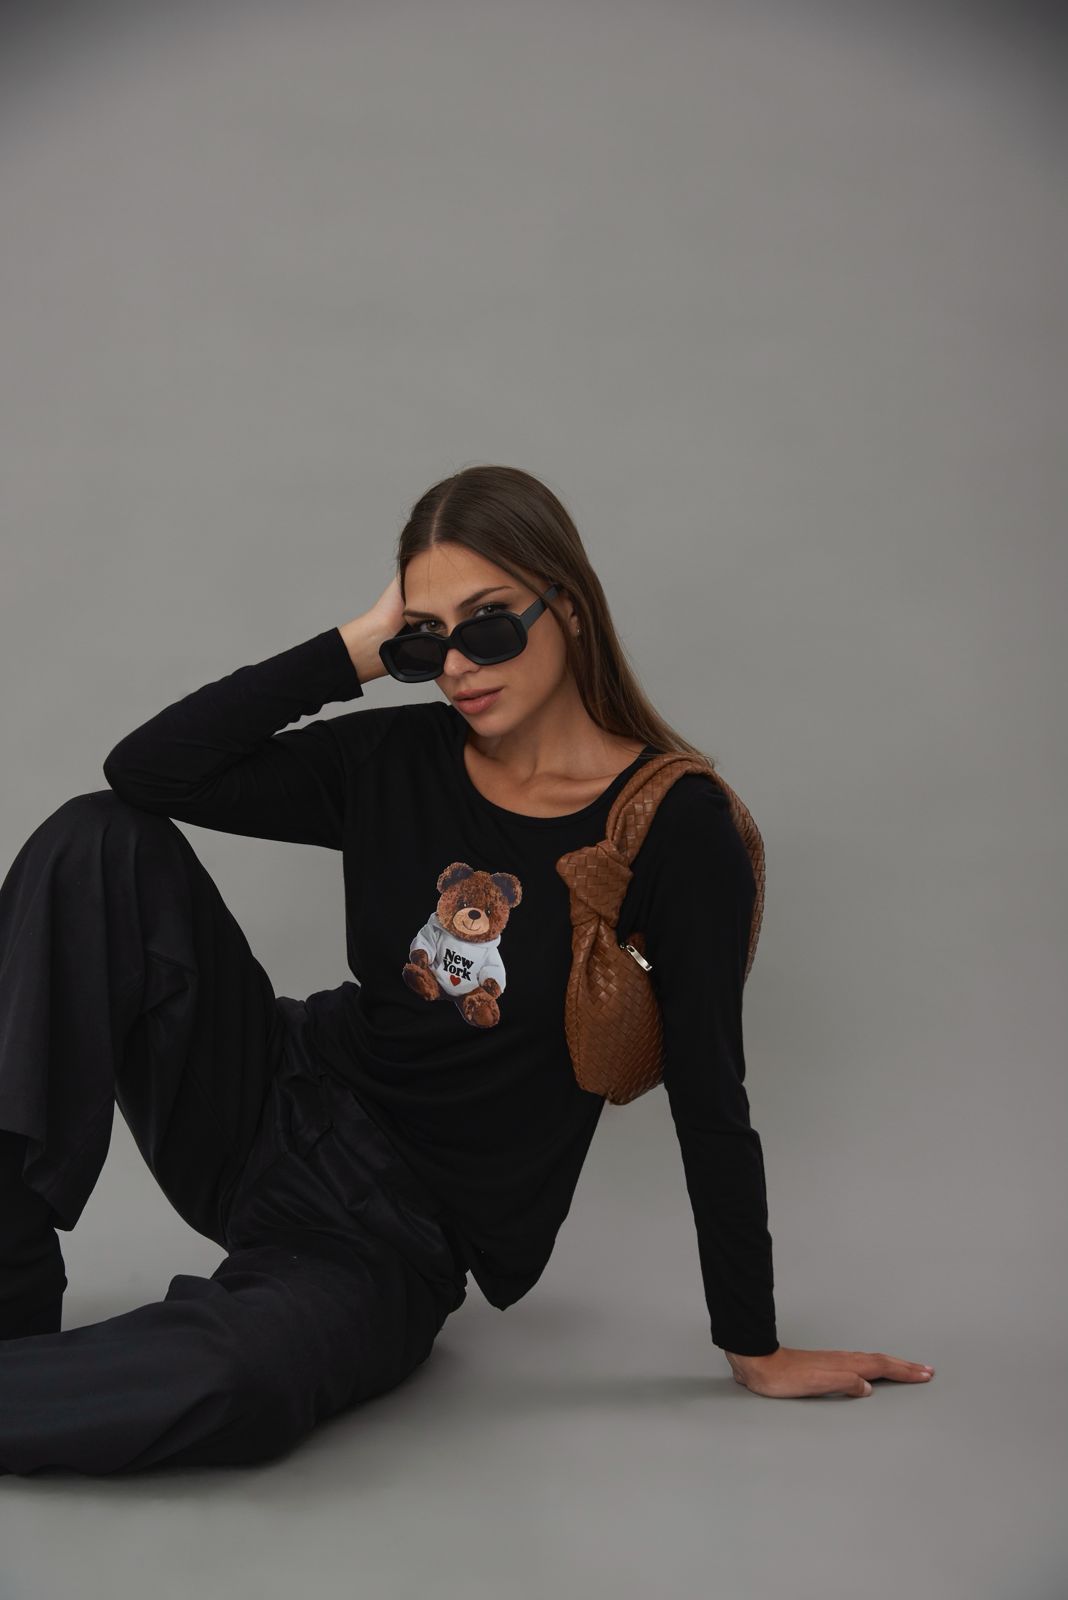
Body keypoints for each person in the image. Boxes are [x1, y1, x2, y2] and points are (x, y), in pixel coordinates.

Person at [0, 465, 934, 1476]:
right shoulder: (398, 758)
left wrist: (752, 1342)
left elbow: (711, 1089)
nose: (454, 665)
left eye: (488, 625)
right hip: (260, 1100)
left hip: (385, 1235)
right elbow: (147, 773)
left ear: (567, 606)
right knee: (95, 839)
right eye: (424, 639)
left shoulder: (672, 827)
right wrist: (356, 648)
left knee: (240, 1380)